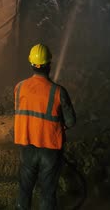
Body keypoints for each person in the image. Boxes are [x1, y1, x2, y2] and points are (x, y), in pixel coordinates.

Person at [14, 44, 76, 210]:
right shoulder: (58, 91)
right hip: (50, 149)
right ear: (49, 64)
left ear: (31, 64)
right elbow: (70, 122)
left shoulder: (19, 88)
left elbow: (23, 112)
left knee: (25, 189)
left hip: (27, 146)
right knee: (48, 193)